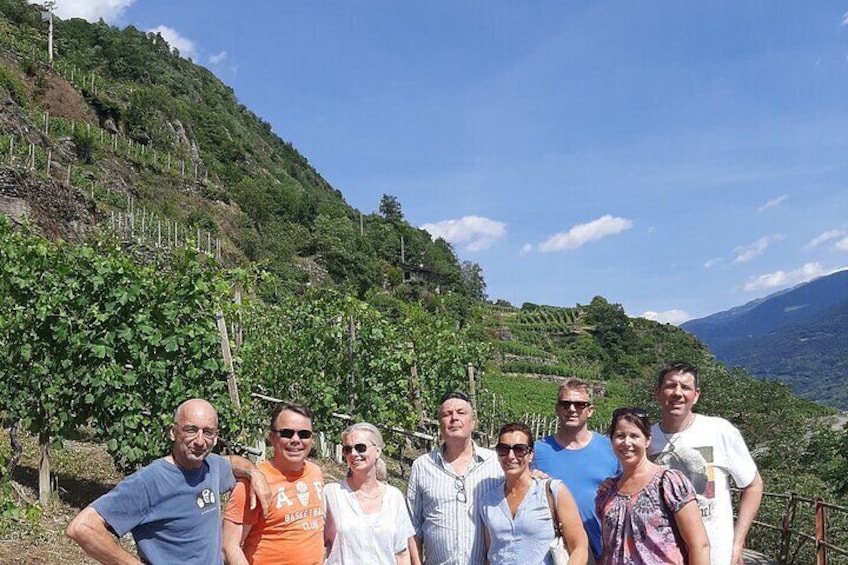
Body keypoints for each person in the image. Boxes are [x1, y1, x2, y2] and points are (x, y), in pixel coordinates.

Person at [66, 398, 272, 565]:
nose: (200, 441)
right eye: (191, 430)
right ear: (173, 432)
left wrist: (254, 473)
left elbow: (233, 462)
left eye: (207, 432)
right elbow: (83, 528)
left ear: (216, 438)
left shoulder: (211, 466)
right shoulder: (150, 481)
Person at [650, 362, 763, 565]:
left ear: (696, 395)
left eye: (685, 387)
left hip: (716, 556)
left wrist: (737, 543)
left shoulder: (719, 431)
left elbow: (753, 485)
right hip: (660, 556)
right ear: (657, 393)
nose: (677, 393)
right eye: (670, 386)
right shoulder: (645, 439)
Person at [595, 407, 710, 565]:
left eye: (634, 436)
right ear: (612, 440)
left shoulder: (669, 483)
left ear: (648, 440)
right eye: (620, 436)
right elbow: (608, 549)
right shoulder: (608, 493)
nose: (627, 442)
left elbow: (699, 545)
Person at [223, 401, 325, 565]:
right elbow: (228, 546)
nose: (296, 440)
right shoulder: (254, 484)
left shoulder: (315, 473)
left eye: (304, 434)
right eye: (287, 433)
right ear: (271, 437)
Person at [407, 391, 502, 565]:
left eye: (461, 412)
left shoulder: (495, 464)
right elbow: (413, 527)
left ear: (473, 422)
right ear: (440, 423)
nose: (454, 418)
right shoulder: (422, 466)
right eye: (447, 414)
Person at [533, 378, 620, 561]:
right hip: (553, 553)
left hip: (602, 552)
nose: (572, 409)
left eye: (579, 404)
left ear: (590, 411)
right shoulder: (537, 451)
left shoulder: (611, 450)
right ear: (557, 409)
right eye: (566, 404)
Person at [481, 422, 590, 565]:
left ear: (530, 455)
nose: (510, 456)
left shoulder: (553, 491)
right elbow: (492, 552)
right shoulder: (488, 501)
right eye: (503, 449)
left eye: (519, 449)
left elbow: (579, 546)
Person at [324, 422, 416, 564]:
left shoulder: (394, 497)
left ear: (378, 451)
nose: (354, 454)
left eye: (360, 448)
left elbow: (402, 553)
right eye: (347, 449)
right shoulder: (331, 494)